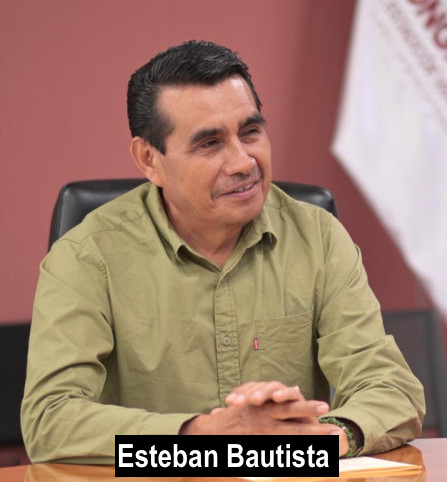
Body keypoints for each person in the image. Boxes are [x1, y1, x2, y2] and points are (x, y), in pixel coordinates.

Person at [21, 40, 424, 464]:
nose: (243, 162)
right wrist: (202, 436)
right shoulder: (87, 256)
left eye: (251, 132)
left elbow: (393, 389)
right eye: (209, 143)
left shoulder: (318, 237)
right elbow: (50, 420)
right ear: (149, 159)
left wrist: (324, 438)